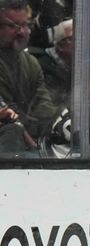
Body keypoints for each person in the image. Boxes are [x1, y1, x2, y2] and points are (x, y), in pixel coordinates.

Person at [0, 0, 59, 143]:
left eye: (25, 25)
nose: (22, 32)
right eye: (13, 26)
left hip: (29, 139)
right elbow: (9, 115)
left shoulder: (31, 63)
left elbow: (44, 106)